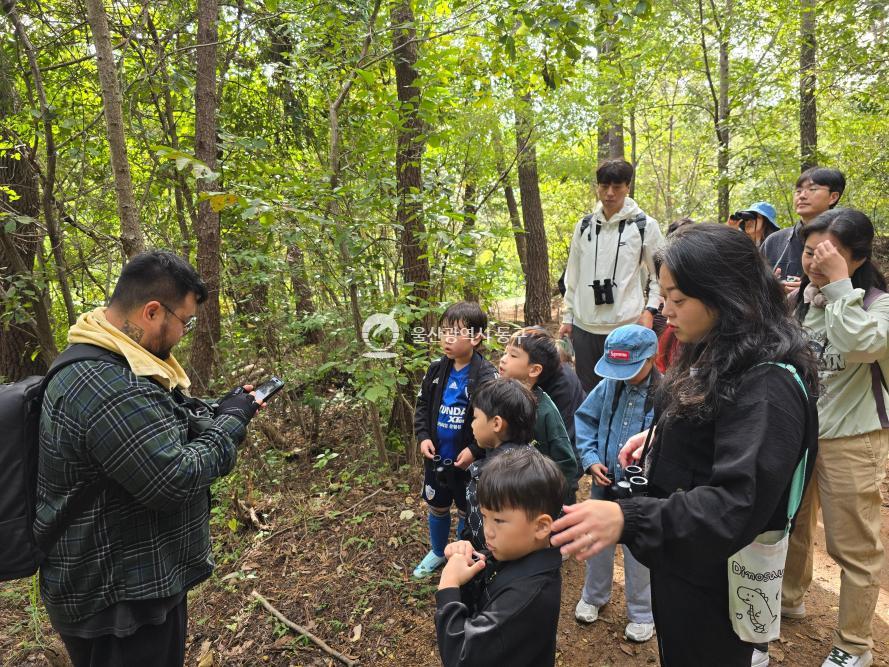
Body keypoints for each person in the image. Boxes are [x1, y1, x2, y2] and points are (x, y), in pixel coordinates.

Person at [550, 224, 819, 667]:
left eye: (678, 300)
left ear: (724, 294)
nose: (665, 312)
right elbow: (710, 425)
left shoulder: (766, 383)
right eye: (664, 298)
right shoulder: (719, 348)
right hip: (686, 564)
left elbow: (734, 503)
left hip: (716, 580)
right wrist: (658, 435)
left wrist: (626, 516)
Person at [34, 251, 265, 667]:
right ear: (153, 311)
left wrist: (221, 409)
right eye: (185, 322)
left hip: (137, 581)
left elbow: (158, 423)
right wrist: (229, 425)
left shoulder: (117, 358)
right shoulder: (107, 385)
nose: (184, 333)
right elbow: (174, 477)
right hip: (118, 601)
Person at [782, 209, 889, 667]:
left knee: (854, 548)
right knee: (793, 526)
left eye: (828, 254)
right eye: (810, 251)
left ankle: (854, 646)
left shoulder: (876, 305)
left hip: (852, 441)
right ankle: (788, 599)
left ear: (857, 258)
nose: (815, 262)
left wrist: (841, 286)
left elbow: (858, 346)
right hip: (800, 437)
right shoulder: (802, 304)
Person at [435, 447, 566, 667]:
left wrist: (449, 586)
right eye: (485, 517)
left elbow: (460, 657)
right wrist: (469, 562)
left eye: (499, 521)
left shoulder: (527, 597)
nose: (488, 531)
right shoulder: (517, 554)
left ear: (542, 527)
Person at [572, 324, 658, 643]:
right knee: (597, 541)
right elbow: (586, 419)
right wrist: (591, 457)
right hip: (604, 484)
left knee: (640, 552)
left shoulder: (664, 394)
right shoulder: (609, 385)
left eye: (630, 369)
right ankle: (594, 596)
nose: (622, 375)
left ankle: (642, 612)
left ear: (651, 359)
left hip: (642, 493)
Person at [559, 159, 665, 392]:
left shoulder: (644, 225)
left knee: (623, 391)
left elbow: (661, 276)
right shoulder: (584, 226)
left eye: (617, 186)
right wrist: (568, 318)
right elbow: (572, 275)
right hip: (585, 326)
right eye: (604, 186)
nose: (609, 193)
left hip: (625, 325)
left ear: (627, 187)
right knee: (588, 391)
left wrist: (650, 310)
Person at [413, 301, 497, 578]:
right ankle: (438, 551)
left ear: (476, 337)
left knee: (466, 509)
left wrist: (475, 449)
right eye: (444, 331)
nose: (447, 339)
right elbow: (423, 406)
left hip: (468, 463)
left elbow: (493, 421)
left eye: (456, 333)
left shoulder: (486, 376)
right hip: (437, 458)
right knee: (437, 506)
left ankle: (461, 556)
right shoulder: (436, 370)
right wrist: (423, 436)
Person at [498, 329, 580, 502]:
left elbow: (566, 464)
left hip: (539, 497)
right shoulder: (500, 399)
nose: (503, 359)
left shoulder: (545, 412)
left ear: (534, 370)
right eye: (505, 352)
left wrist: (558, 501)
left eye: (513, 355)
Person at [462, 377, 536, 551]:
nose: (472, 425)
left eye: (475, 418)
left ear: (496, 423)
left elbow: (481, 532)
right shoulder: (536, 461)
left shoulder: (484, 475)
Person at [761, 167, 845, 291]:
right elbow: (753, 286)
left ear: (833, 197)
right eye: (798, 191)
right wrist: (773, 288)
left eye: (812, 189)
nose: (802, 196)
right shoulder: (774, 241)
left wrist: (811, 290)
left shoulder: (844, 239)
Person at [522, 326, 586, 464]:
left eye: (513, 355)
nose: (503, 360)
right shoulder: (529, 380)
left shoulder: (562, 386)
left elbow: (562, 437)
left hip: (564, 454)